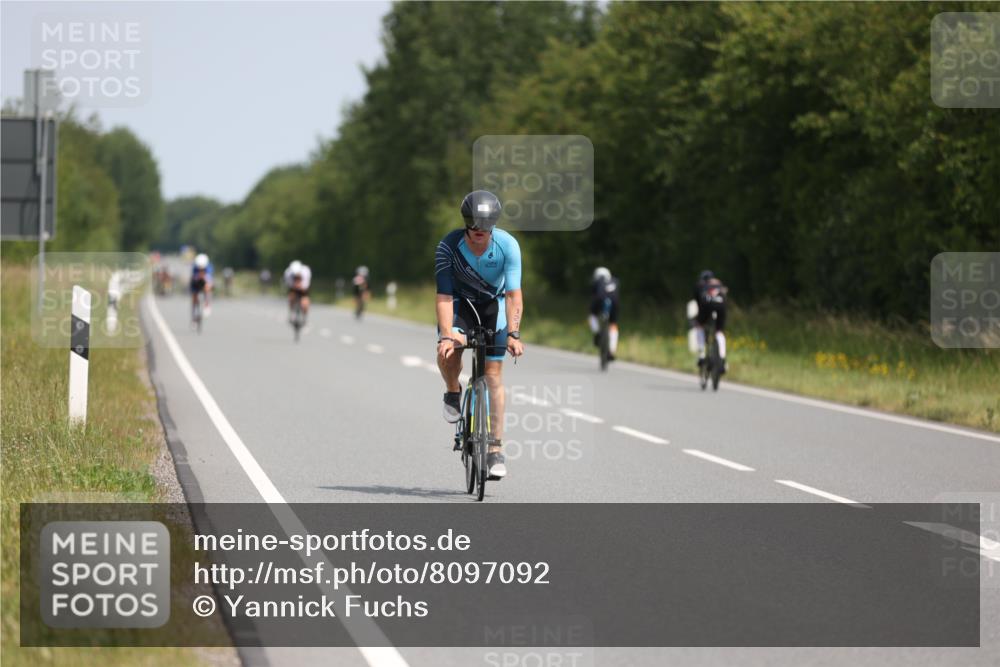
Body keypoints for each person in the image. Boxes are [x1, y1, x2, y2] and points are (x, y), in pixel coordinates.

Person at [435, 190, 524, 479]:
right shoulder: (448, 247)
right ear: (465, 223)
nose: (478, 232)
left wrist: (513, 333)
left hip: (492, 306)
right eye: (473, 226)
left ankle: (495, 449)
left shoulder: (508, 245)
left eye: (484, 227)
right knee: (448, 351)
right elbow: (445, 297)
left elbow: (513, 294)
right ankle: (452, 391)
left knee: (493, 375)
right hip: (460, 304)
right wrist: (448, 336)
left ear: (493, 225)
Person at [692, 269, 727, 373]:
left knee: (699, 326)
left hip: (706, 305)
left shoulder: (700, 285)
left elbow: (698, 301)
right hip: (721, 305)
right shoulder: (718, 283)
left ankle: (702, 356)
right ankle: (722, 359)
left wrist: (699, 318)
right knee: (719, 332)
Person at [588, 266, 620, 361]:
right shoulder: (615, 280)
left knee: (592, 315)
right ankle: (612, 351)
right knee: (613, 325)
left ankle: (597, 333)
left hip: (600, 300)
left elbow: (593, 294)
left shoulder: (597, 281)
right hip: (614, 302)